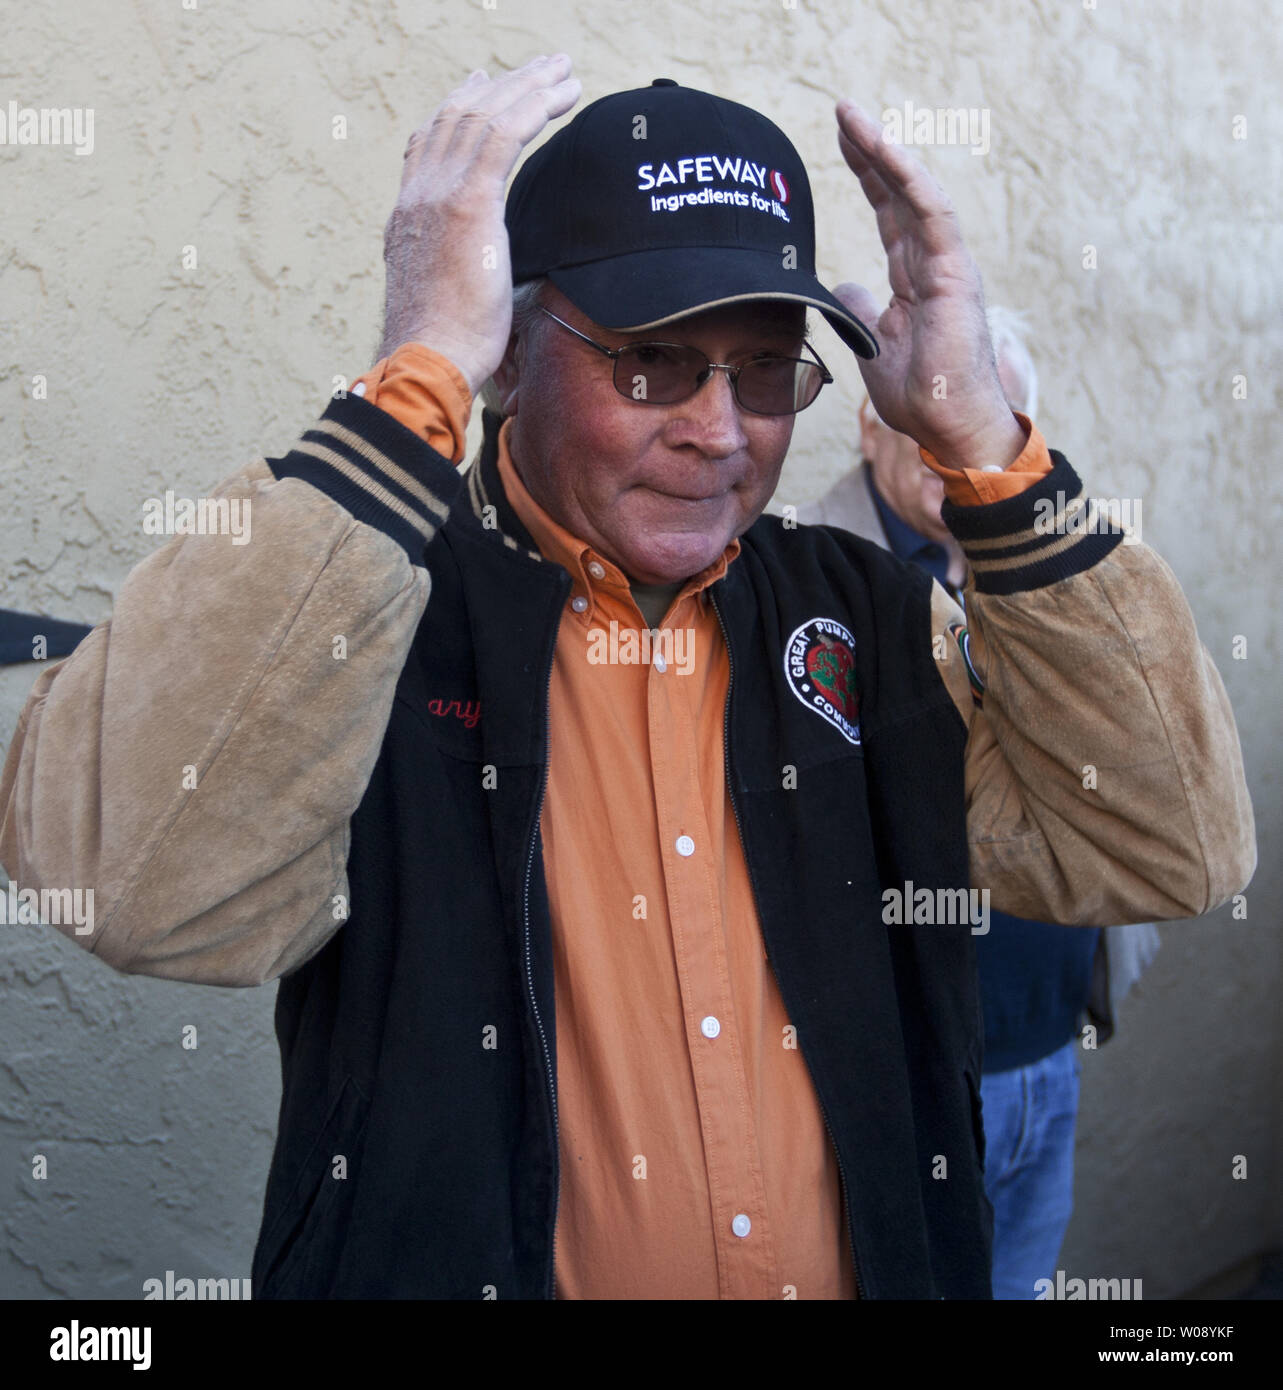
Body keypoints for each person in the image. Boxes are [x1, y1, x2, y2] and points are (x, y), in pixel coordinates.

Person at [0, 57, 1255, 1300]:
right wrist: (411, 377)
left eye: (763, 370)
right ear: (506, 353)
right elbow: (133, 888)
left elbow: (1163, 848)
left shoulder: (866, 616)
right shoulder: (370, 604)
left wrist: (983, 442)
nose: (717, 430)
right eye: (650, 362)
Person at [801, 308, 1162, 1299]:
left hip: (1049, 1051)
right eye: (922, 414)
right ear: (869, 426)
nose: (945, 442)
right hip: (910, 1086)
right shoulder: (804, 587)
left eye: (982, 415)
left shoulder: (1046, 577)